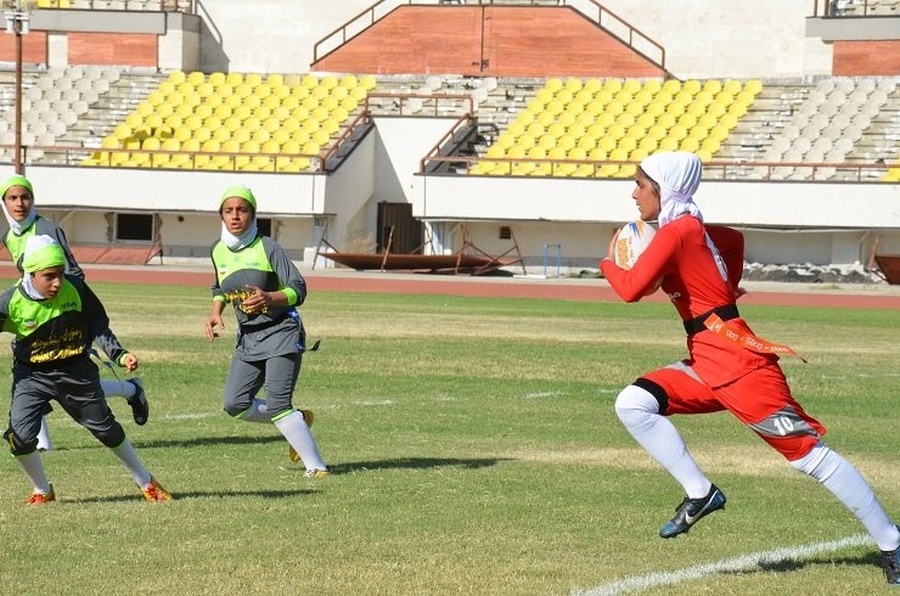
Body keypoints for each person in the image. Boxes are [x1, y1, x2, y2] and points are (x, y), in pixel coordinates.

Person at [599, 151, 899, 586]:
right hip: (710, 358)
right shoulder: (690, 228)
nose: (634, 193)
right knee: (633, 403)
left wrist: (607, 261)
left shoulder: (678, 230)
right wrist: (723, 291)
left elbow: (629, 290)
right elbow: (734, 240)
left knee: (809, 457)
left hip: (739, 367)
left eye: (641, 185)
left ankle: (892, 543)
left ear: (664, 189)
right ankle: (701, 494)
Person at [1, 235, 171, 504]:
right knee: (19, 438)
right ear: (30, 273)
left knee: (106, 429)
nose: (58, 282)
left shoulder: (76, 289)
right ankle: (42, 491)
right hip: (31, 377)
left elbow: (98, 327)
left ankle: (146, 480)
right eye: (49, 276)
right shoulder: (11, 301)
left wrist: (120, 354)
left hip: (76, 372)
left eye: (60, 274)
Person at [0, 174, 148, 452]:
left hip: (64, 311)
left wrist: (68, 308)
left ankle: (131, 390)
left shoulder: (46, 228)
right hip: (35, 308)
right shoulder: (10, 233)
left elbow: (71, 271)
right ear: (3, 202)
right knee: (37, 369)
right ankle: (42, 442)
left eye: (25, 197)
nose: (20, 204)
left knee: (74, 377)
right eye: (12, 198)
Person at [204, 185, 328, 478]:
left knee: (277, 403)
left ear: (253, 214)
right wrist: (215, 311)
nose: (236, 217)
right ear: (221, 215)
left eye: (242, 210)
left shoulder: (268, 247)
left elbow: (299, 289)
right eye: (229, 211)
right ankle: (298, 420)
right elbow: (219, 287)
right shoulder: (217, 250)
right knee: (234, 404)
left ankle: (317, 467)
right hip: (249, 338)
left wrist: (270, 298)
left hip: (282, 331)